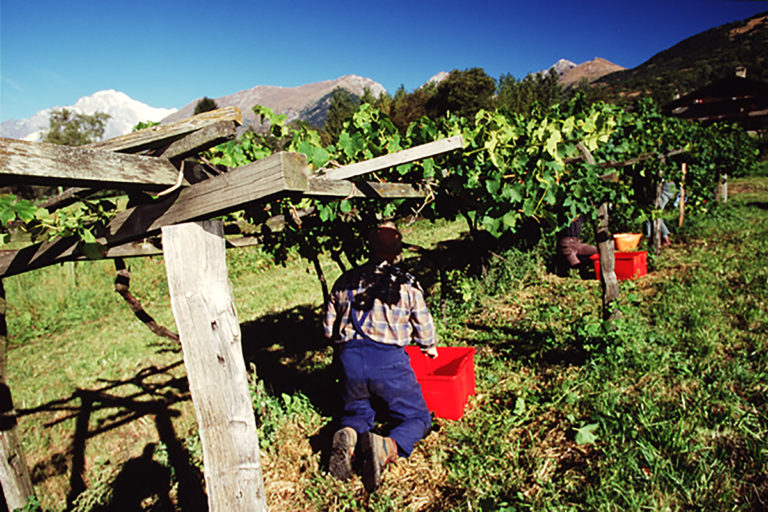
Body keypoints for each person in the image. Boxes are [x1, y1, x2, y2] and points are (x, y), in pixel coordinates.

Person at [324, 222, 438, 493]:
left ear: (369, 246)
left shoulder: (345, 280)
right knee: (417, 417)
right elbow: (423, 323)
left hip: (349, 359)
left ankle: (349, 435)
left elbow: (328, 331)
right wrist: (429, 346)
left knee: (358, 411)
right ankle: (386, 446)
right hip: (387, 361)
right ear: (398, 249)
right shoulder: (405, 283)